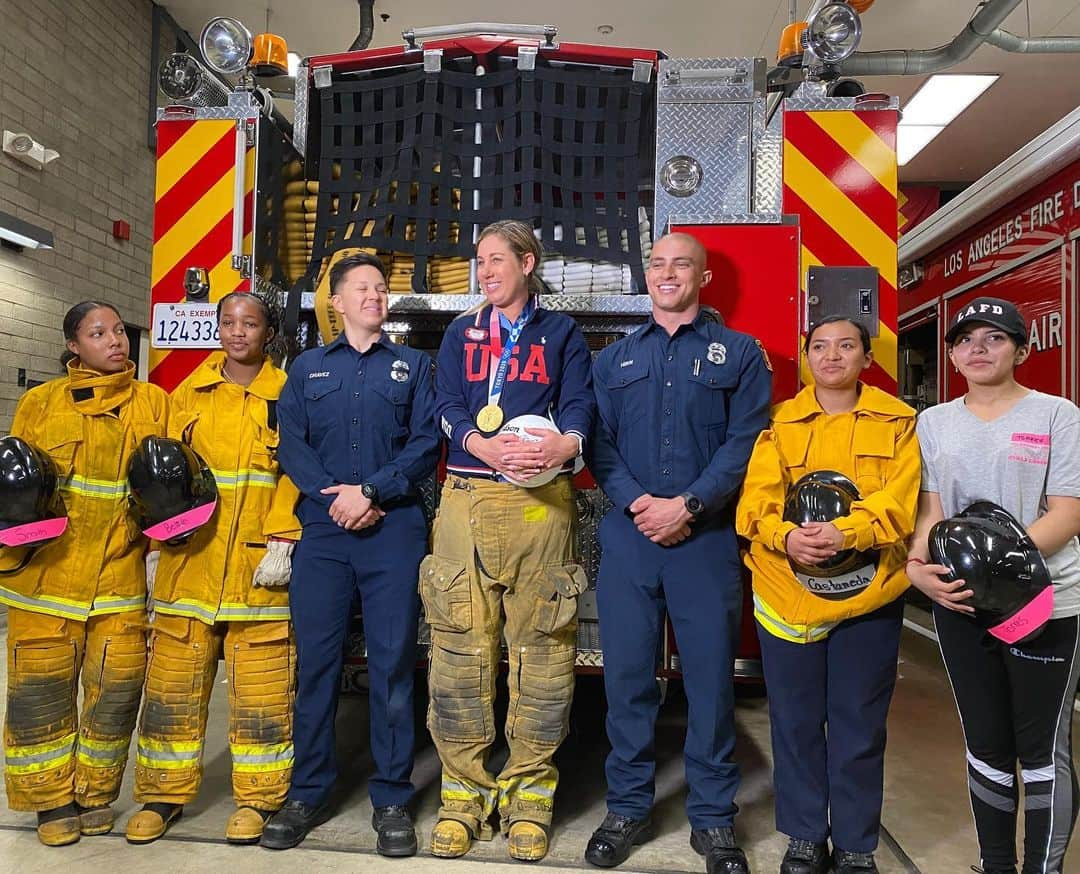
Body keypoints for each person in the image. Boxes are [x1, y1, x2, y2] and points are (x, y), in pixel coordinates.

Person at [586, 232, 771, 874]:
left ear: (703, 278)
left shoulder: (740, 355)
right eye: (658, 264)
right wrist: (642, 504)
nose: (668, 274)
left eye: (681, 265)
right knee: (628, 680)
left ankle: (714, 820)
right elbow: (598, 445)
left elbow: (746, 441)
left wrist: (689, 505)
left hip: (706, 539)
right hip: (631, 537)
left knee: (712, 682)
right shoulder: (611, 361)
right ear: (647, 275)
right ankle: (627, 808)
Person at [425, 219, 594, 862]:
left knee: (543, 651)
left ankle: (529, 798)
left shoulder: (561, 334)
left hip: (540, 506)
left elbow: (580, 403)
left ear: (528, 262)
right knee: (460, 651)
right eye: (478, 260)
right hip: (465, 499)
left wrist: (566, 443)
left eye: (496, 260)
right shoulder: (461, 334)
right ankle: (462, 798)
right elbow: (446, 403)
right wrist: (479, 444)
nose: (484, 270)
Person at [262, 252, 439, 855]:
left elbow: (424, 444)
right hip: (326, 535)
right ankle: (307, 791)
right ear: (335, 303)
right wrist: (333, 499)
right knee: (315, 666)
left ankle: (391, 798)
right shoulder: (306, 368)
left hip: (393, 530)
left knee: (391, 666)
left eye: (381, 288)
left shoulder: (413, 366)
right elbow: (292, 444)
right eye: (361, 288)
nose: (374, 296)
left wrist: (372, 491)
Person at [736, 316, 920, 874]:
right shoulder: (778, 423)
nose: (832, 356)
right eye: (820, 347)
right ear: (808, 357)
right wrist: (786, 536)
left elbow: (901, 500)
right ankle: (805, 836)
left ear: (867, 357)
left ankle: (857, 845)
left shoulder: (900, 422)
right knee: (793, 722)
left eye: (846, 346)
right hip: (786, 592)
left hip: (871, 595)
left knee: (858, 724)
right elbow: (755, 503)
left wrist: (849, 532)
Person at [907, 296, 1080, 874]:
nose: (978, 349)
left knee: (1040, 752)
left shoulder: (1058, 415)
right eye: (966, 340)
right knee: (985, 745)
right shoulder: (933, 422)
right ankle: (996, 864)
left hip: (1046, 603)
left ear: (1022, 350)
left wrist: (998, 569)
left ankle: (1042, 869)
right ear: (952, 356)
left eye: (995, 338)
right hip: (960, 605)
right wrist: (919, 568)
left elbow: (1067, 512)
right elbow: (931, 513)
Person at [124, 292, 301, 846]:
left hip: (259, 571)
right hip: (189, 567)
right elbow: (156, 478)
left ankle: (258, 800)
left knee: (262, 694)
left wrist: (284, 536)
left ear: (267, 332)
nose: (237, 331)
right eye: (227, 321)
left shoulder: (289, 395)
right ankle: (162, 796)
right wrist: (154, 546)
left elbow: (300, 471)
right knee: (172, 688)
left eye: (249, 323)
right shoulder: (186, 397)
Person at [1, 301, 168, 846]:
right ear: (74, 345)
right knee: (41, 697)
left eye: (119, 330)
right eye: (98, 333)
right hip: (47, 582)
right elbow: (17, 497)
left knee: (115, 695)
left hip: (119, 581)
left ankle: (96, 793)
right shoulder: (41, 403)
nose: (115, 341)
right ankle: (51, 803)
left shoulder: (154, 403)